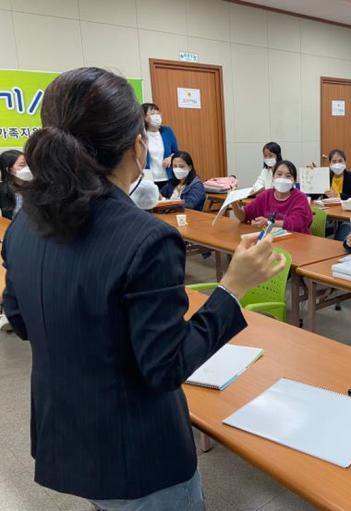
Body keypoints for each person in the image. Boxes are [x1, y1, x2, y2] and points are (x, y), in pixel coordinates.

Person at [1, 67, 285, 510]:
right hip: (139, 455)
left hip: (69, 437)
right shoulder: (145, 238)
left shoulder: (23, 225)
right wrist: (232, 287)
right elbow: (165, 367)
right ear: (137, 146)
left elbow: (19, 319)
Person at [233, 160, 313, 234]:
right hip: (270, 239)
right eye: (279, 174)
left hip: (296, 239)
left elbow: (296, 223)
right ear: (273, 177)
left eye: (288, 176)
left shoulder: (300, 198)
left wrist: (269, 223)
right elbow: (243, 216)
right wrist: (233, 202)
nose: (283, 178)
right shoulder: (265, 195)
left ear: (294, 181)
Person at [142, 102, 178, 188]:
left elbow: (177, 153)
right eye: (152, 113)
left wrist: (170, 158)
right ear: (145, 118)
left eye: (158, 113)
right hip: (148, 179)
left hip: (168, 178)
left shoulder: (167, 131)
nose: (157, 116)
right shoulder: (141, 134)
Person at [0, 149, 32, 219]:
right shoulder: (2, 190)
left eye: (28, 164)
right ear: (9, 170)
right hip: (11, 225)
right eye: (22, 165)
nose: (27, 168)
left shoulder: (35, 187)